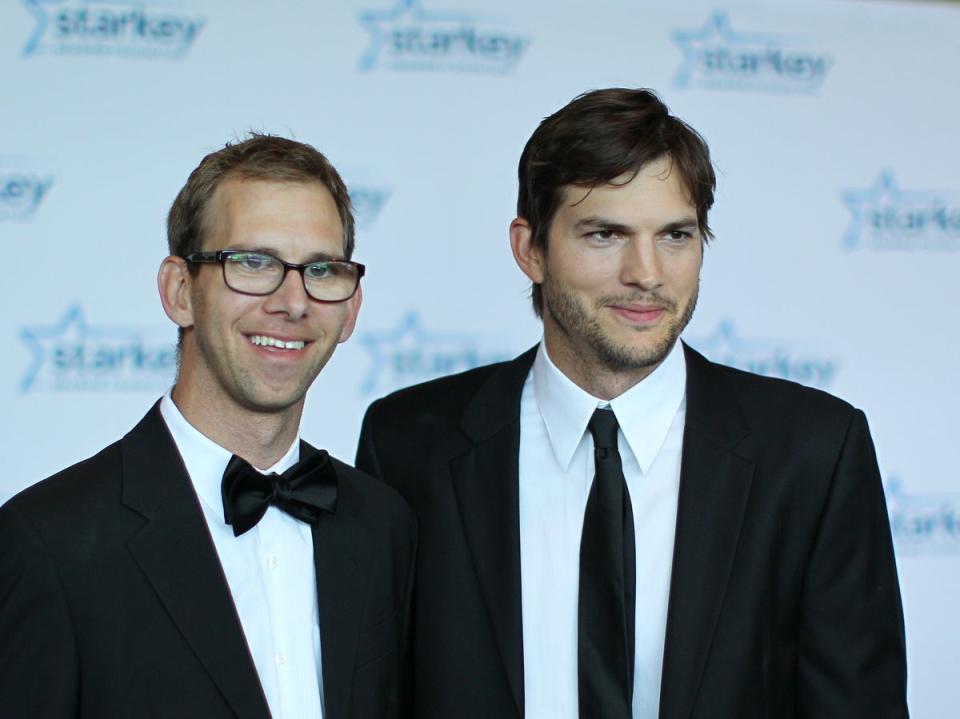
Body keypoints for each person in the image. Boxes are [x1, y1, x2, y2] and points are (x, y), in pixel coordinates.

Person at [355, 89, 908, 718]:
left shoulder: (814, 452)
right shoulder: (406, 445)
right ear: (530, 249)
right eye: (605, 234)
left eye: (675, 235)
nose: (646, 273)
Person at [0, 134, 416, 719]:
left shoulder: (385, 526)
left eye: (320, 270)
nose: (293, 302)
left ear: (350, 309)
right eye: (253, 263)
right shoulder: (49, 543)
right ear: (179, 292)